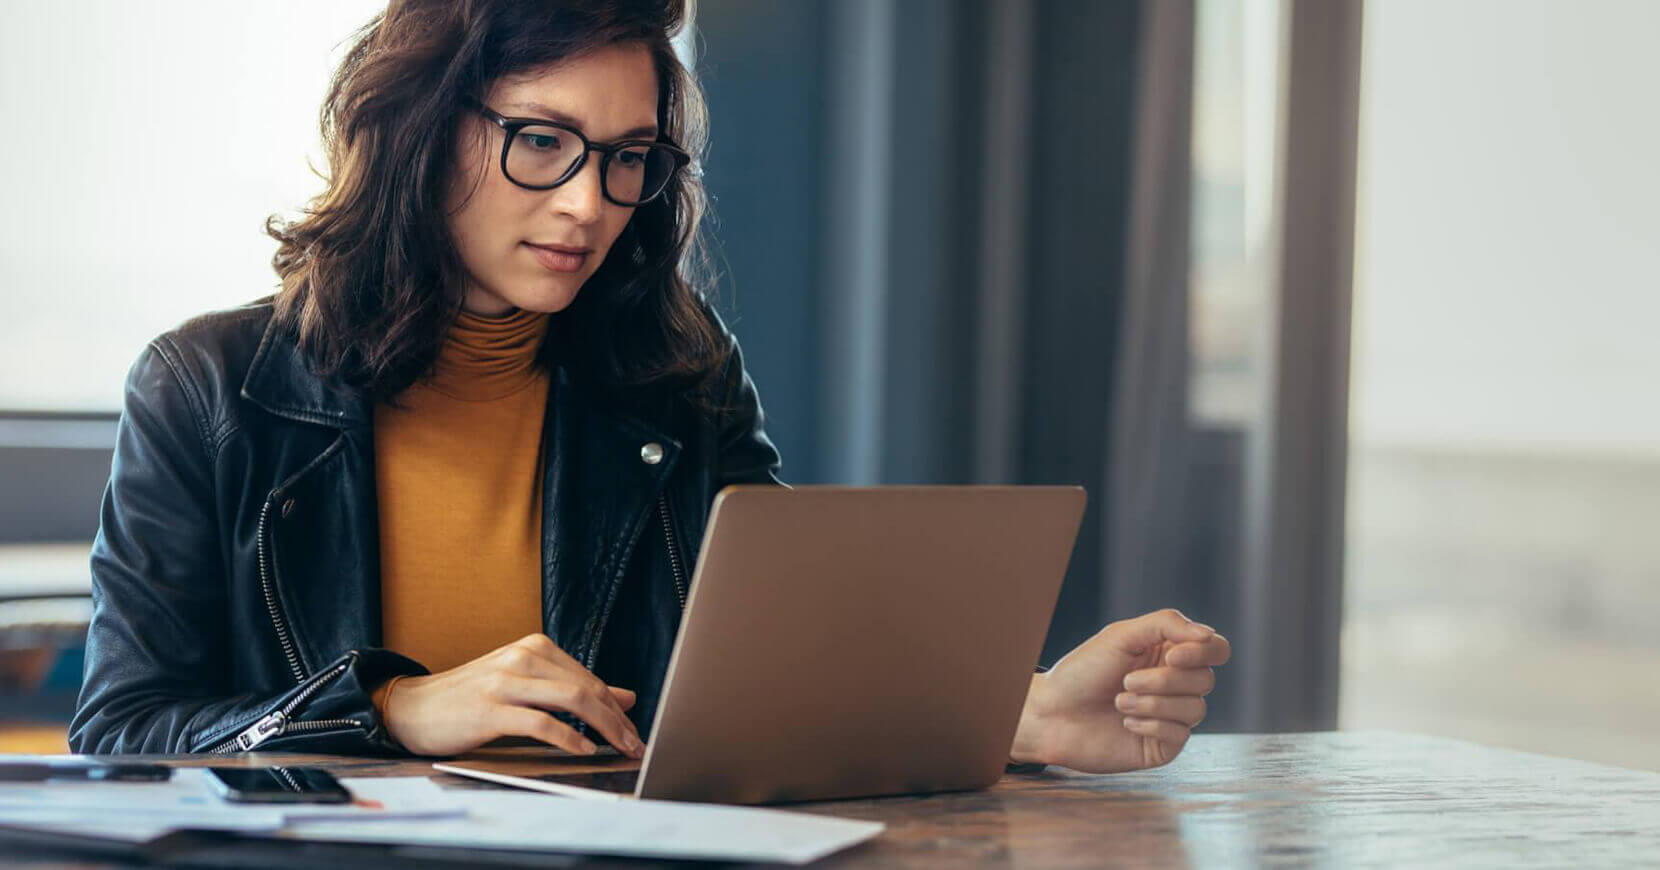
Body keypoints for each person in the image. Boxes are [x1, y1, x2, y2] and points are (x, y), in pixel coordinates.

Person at [68, 0, 1230, 775]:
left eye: (628, 157)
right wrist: (389, 711)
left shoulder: (676, 371)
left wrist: (1016, 713)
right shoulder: (209, 388)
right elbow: (121, 733)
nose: (587, 202)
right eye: (541, 141)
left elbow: (781, 672)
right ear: (419, 130)